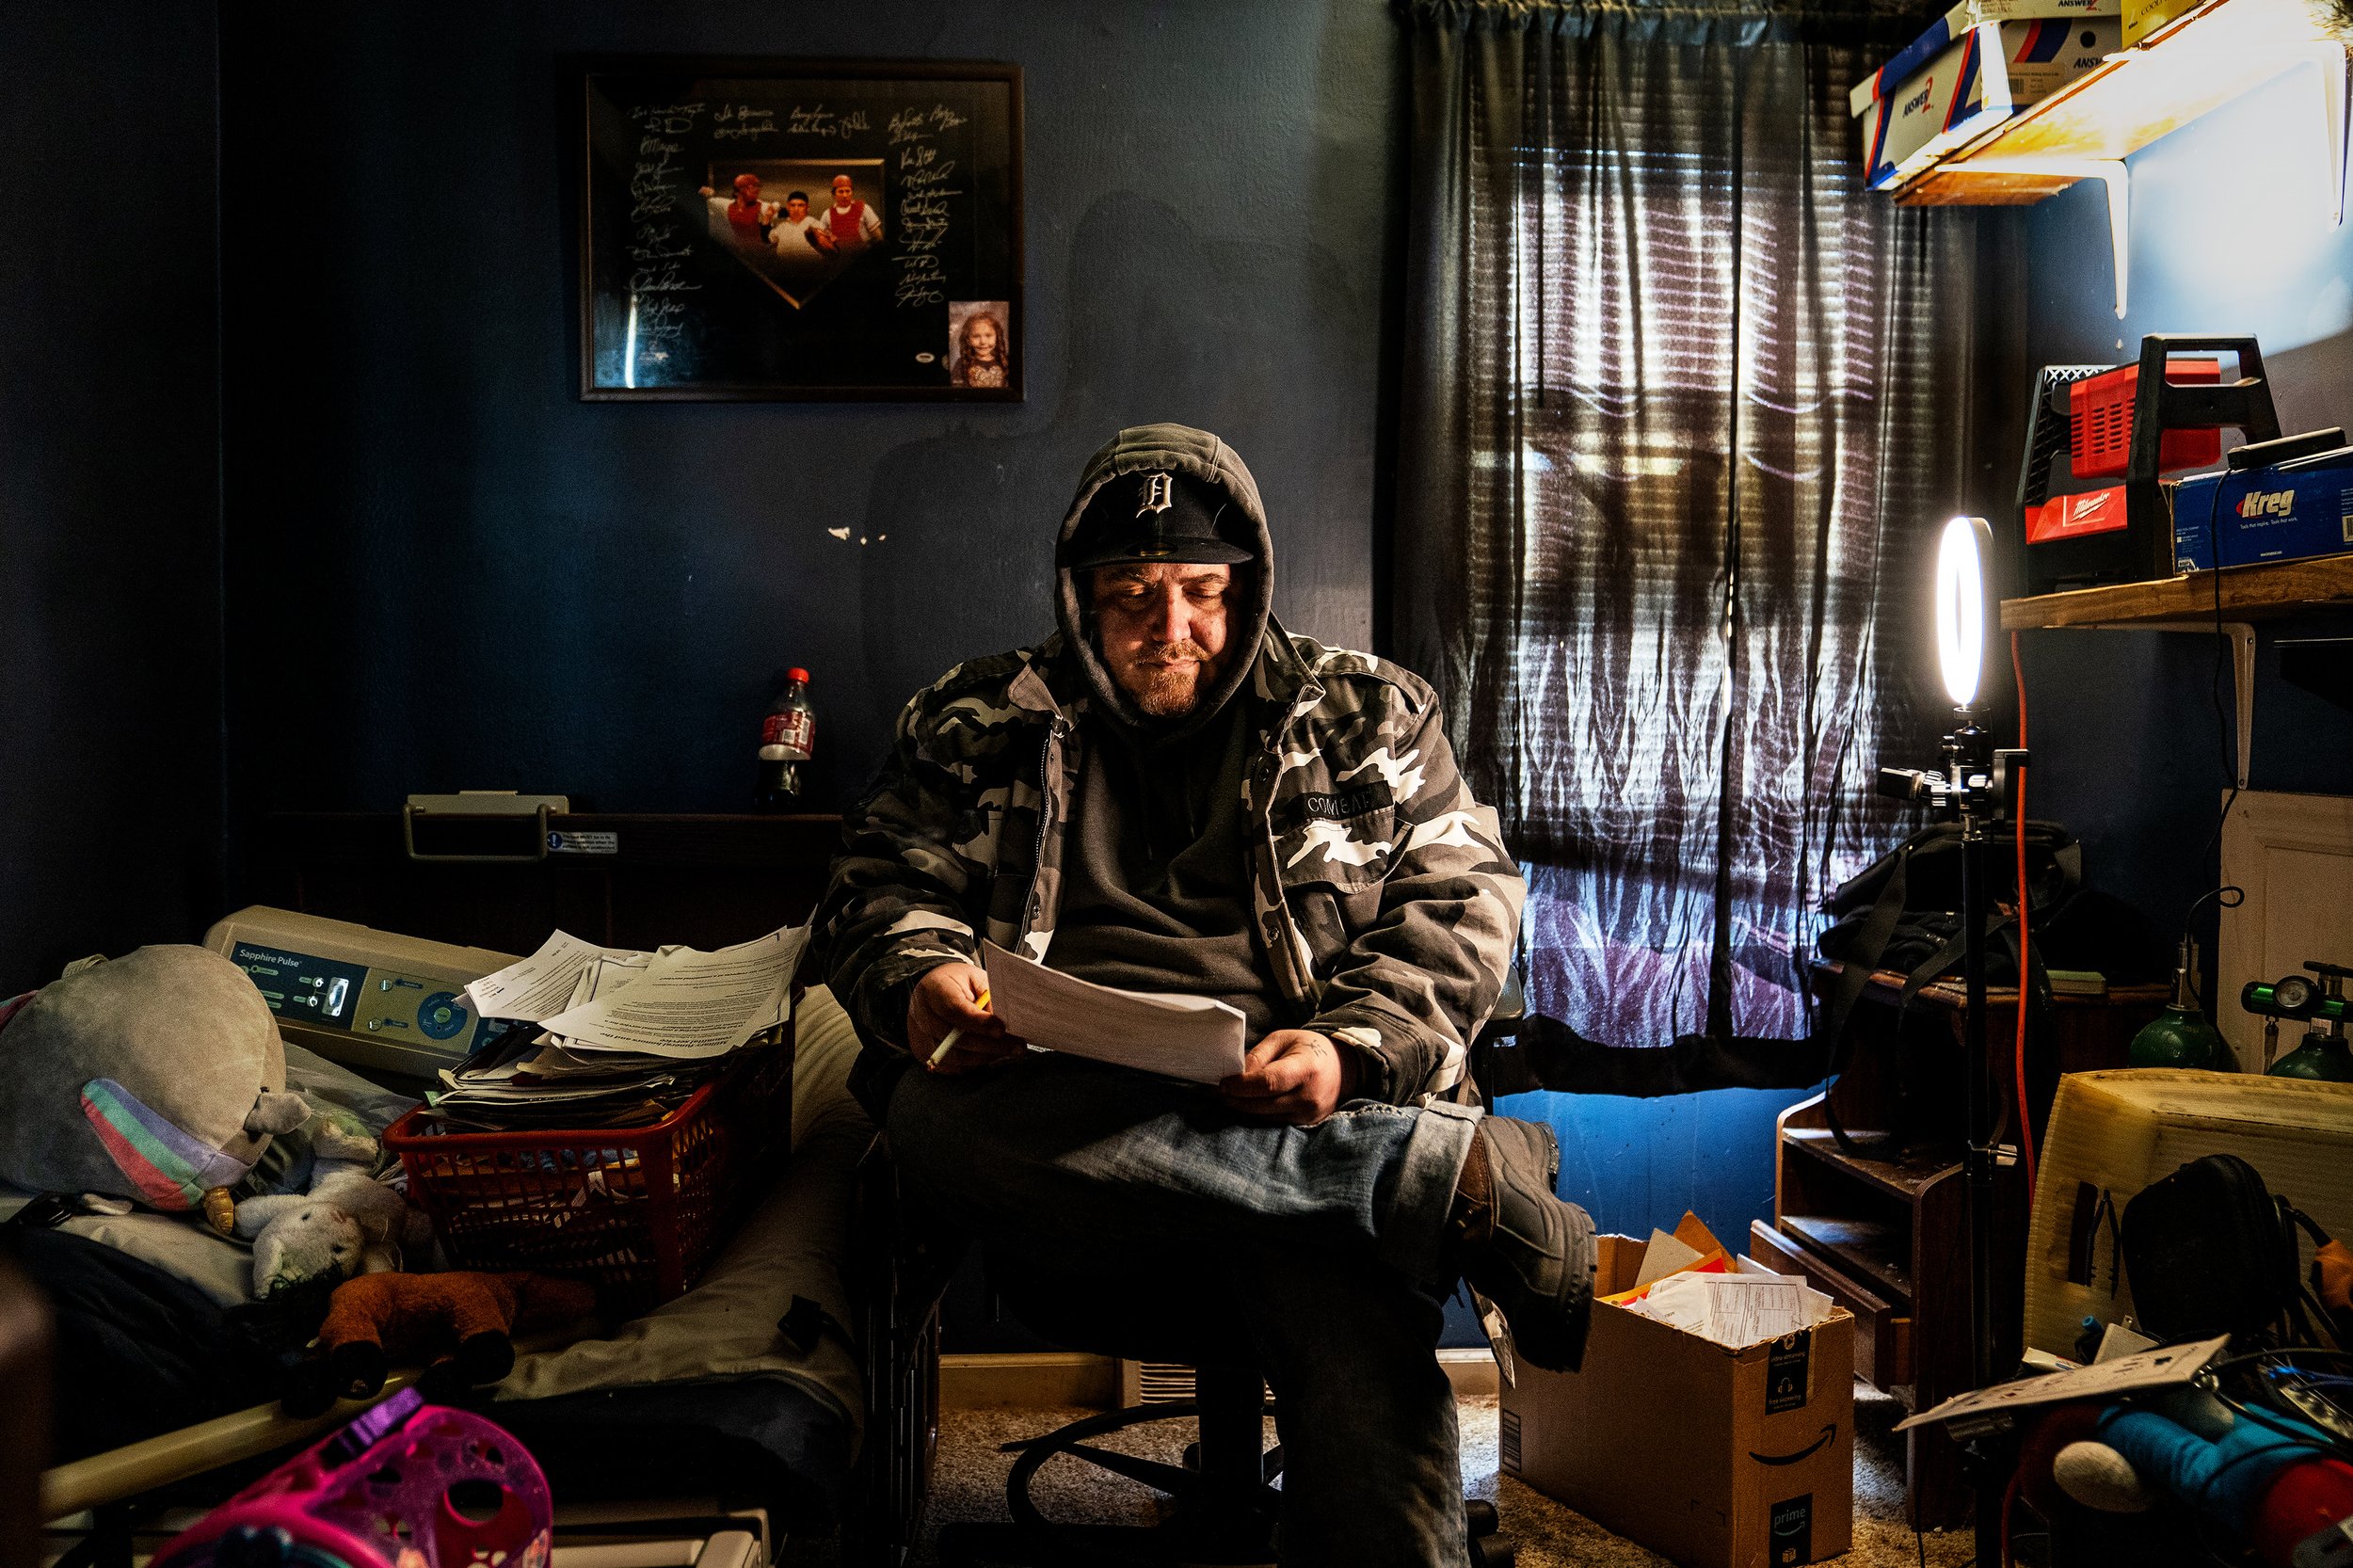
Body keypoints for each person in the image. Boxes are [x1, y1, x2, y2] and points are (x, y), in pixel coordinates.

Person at [817, 424, 1596, 1565]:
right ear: (1079, 595)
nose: (1167, 627)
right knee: (929, 1113)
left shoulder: (1369, 716)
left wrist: (1347, 1052)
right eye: (1130, 594)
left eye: (1198, 591)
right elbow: (876, 883)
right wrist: (924, 978)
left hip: (1297, 1104)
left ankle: (1371, 1177)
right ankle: (1419, 1181)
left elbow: (1463, 906)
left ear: (1248, 583)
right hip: (1057, 1136)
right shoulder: (972, 720)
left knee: (1348, 1314)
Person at [699, 172, 776, 249]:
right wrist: (704, 192)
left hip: (758, 252)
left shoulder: (764, 207)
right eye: (749, 187)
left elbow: (769, 236)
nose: (756, 190)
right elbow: (707, 199)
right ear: (737, 192)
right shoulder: (727, 206)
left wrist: (768, 220)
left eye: (756, 186)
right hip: (738, 251)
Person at [819, 172, 882, 251]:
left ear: (852, 192)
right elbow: (822, 239)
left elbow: (877, 235)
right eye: (841, 192)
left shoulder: (864, 208)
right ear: (834, 194)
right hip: (840, 256)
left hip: (863, 255)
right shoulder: (827, 214)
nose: (845, 195)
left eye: (847, 191)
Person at [951, 310, 1008, 388]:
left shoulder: (1004, 361)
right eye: (976, 336)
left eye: (988, 335)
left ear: (997, 337)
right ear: (968, 340)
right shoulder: (961, 364)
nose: (983, 342)